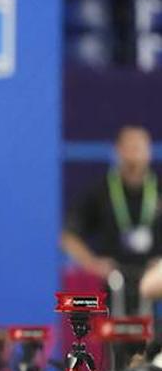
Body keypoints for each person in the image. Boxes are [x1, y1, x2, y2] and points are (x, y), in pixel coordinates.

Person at [62, 125, 162, 319]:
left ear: (149, 152)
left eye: (139, 148)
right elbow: (68, 235)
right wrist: (92, 263)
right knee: (114, 336)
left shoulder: (158, 188)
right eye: (129, 147)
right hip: (113, 281)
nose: (134, 154)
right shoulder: (100, 191)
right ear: (118, 150)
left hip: (154, 280)